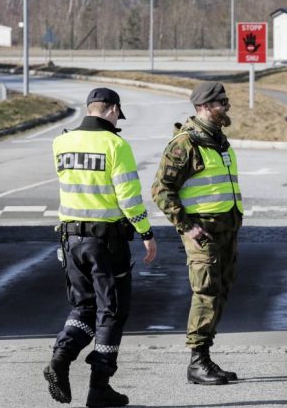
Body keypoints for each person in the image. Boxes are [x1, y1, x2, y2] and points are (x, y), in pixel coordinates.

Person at [45, 87, 158, 407]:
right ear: (111, 110)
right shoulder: (115, 145)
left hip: (70, 241)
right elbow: (128, 197)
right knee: (113, 310)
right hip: (105, 242)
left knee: (84, 307)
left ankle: (61, 357)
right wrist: (145, 231)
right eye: (117, 114)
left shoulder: (61, 142)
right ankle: (99, 387)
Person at [151, 81, 242, 385]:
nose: (226, 107)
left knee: (220, 294)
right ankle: (197, 362)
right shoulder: (185, 144)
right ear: (205, 107)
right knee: (205, 294)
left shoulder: (217, 140)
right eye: (221, 103)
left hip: (226, 232)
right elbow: (161, 190)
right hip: (203, 234)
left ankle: (205, 358)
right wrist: (187, 226)